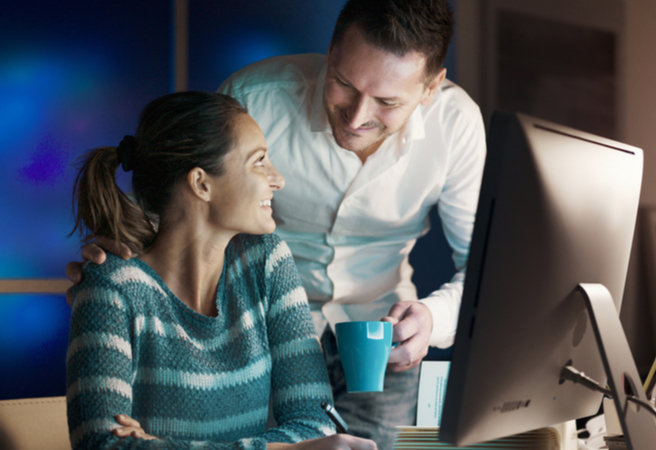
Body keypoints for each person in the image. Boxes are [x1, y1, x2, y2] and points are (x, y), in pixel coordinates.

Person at [66, 1, 486, 448]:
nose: (359, 115)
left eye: (386, 102)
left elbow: (485, 269)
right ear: (331, 49)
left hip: (380, 337)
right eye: (344, 83)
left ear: (431, 88)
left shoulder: (456, 126)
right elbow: (186, 192)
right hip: (251, 329)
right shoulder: (256, 97)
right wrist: (121, 251)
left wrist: (433, 318)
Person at [67, 91, 376, 450]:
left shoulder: (266, 262)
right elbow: (100, 446)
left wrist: (161, 446)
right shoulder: (112, 286)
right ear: (201, 183)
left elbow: (316, 423)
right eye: (259, 161)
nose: (277, 179)